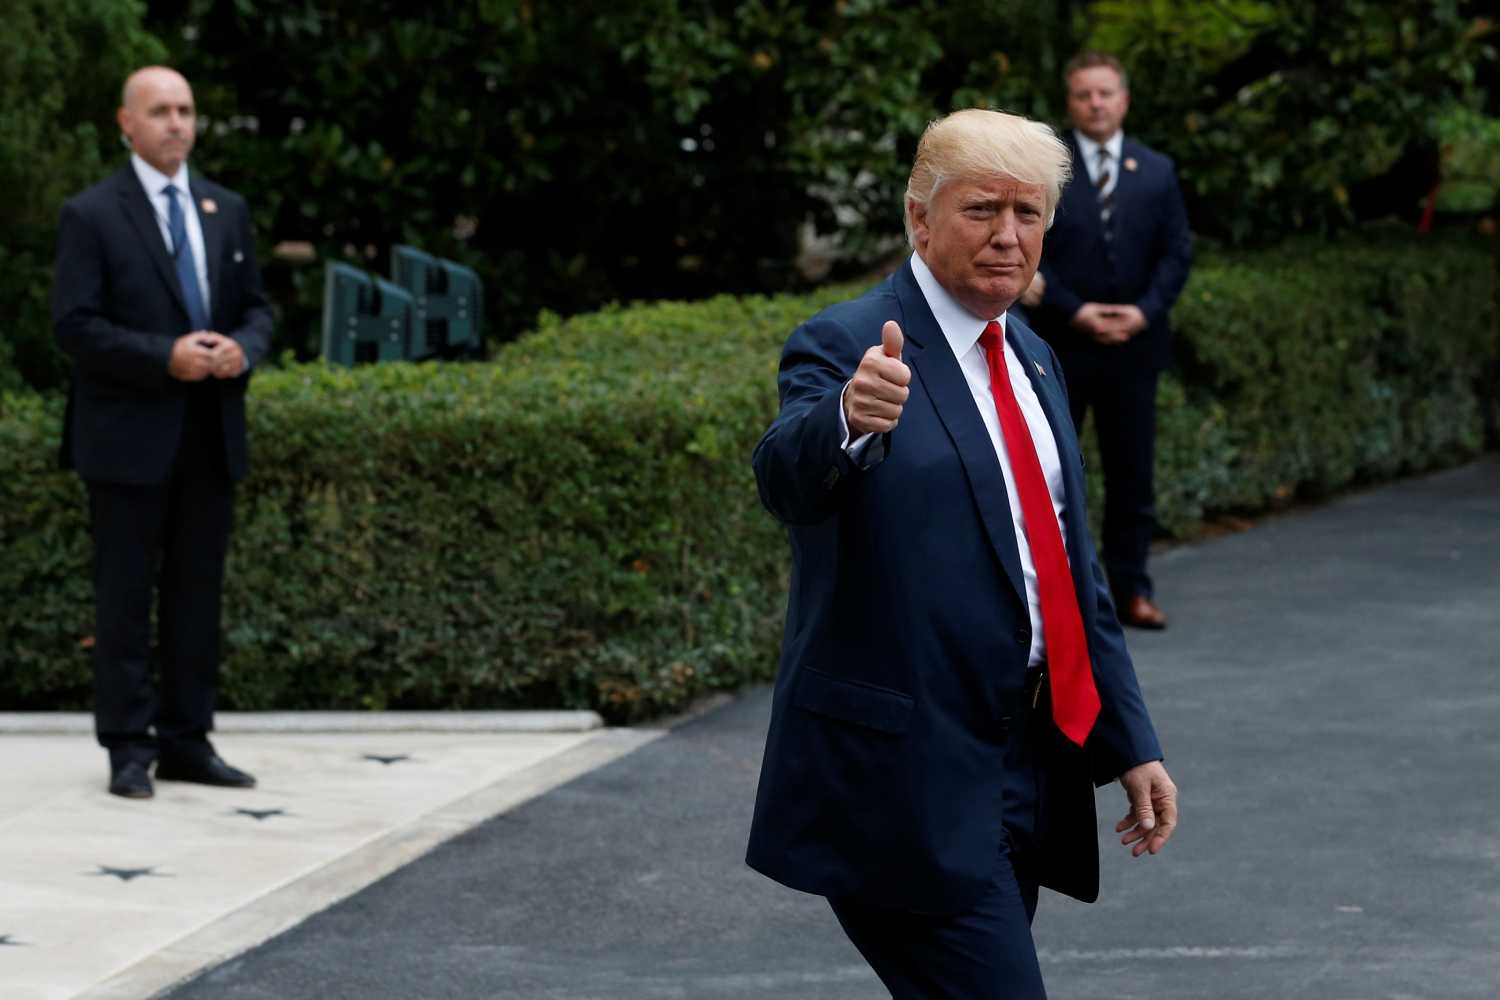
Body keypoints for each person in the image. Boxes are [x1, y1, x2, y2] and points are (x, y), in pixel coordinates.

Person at [746, 108, 1178, 997]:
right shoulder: (849, 342)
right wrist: (845, 421)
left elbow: (1069, 573)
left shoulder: (1034, 358)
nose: (1007, 237)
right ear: (919, 218)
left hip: (1026, 765)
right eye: (982, 210)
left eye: (1028, 214)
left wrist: (1128, 741)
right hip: (898, 783)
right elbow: (785, 479)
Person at [53, 66, 272, 799]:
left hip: (210, 435)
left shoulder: (226, 209)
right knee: (124, 598)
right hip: (126, 440)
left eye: (185, 110)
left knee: (196, 595)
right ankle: (128, 748)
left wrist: (246, 348)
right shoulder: (92, 215)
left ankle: (188, 741)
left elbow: (258, 309)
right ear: (126, 123)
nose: (176, 123)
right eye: (160, 111)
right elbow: (75, 327)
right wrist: (163, 358)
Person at [1019, 51, 1192, 630]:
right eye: (1084, 95)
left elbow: (1176, 255)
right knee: (1054, 474)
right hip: (1060, 348)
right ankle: (1059, 597)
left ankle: (1131, 591)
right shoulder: (1045, 171)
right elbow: (1028, 254)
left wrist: (1142, 314)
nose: (1095, 103)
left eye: (1106, 93)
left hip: (1134, 350)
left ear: (1124, 100)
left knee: (1132, 474)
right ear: (1069, 103)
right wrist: (1078, 311)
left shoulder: (1158, 171)